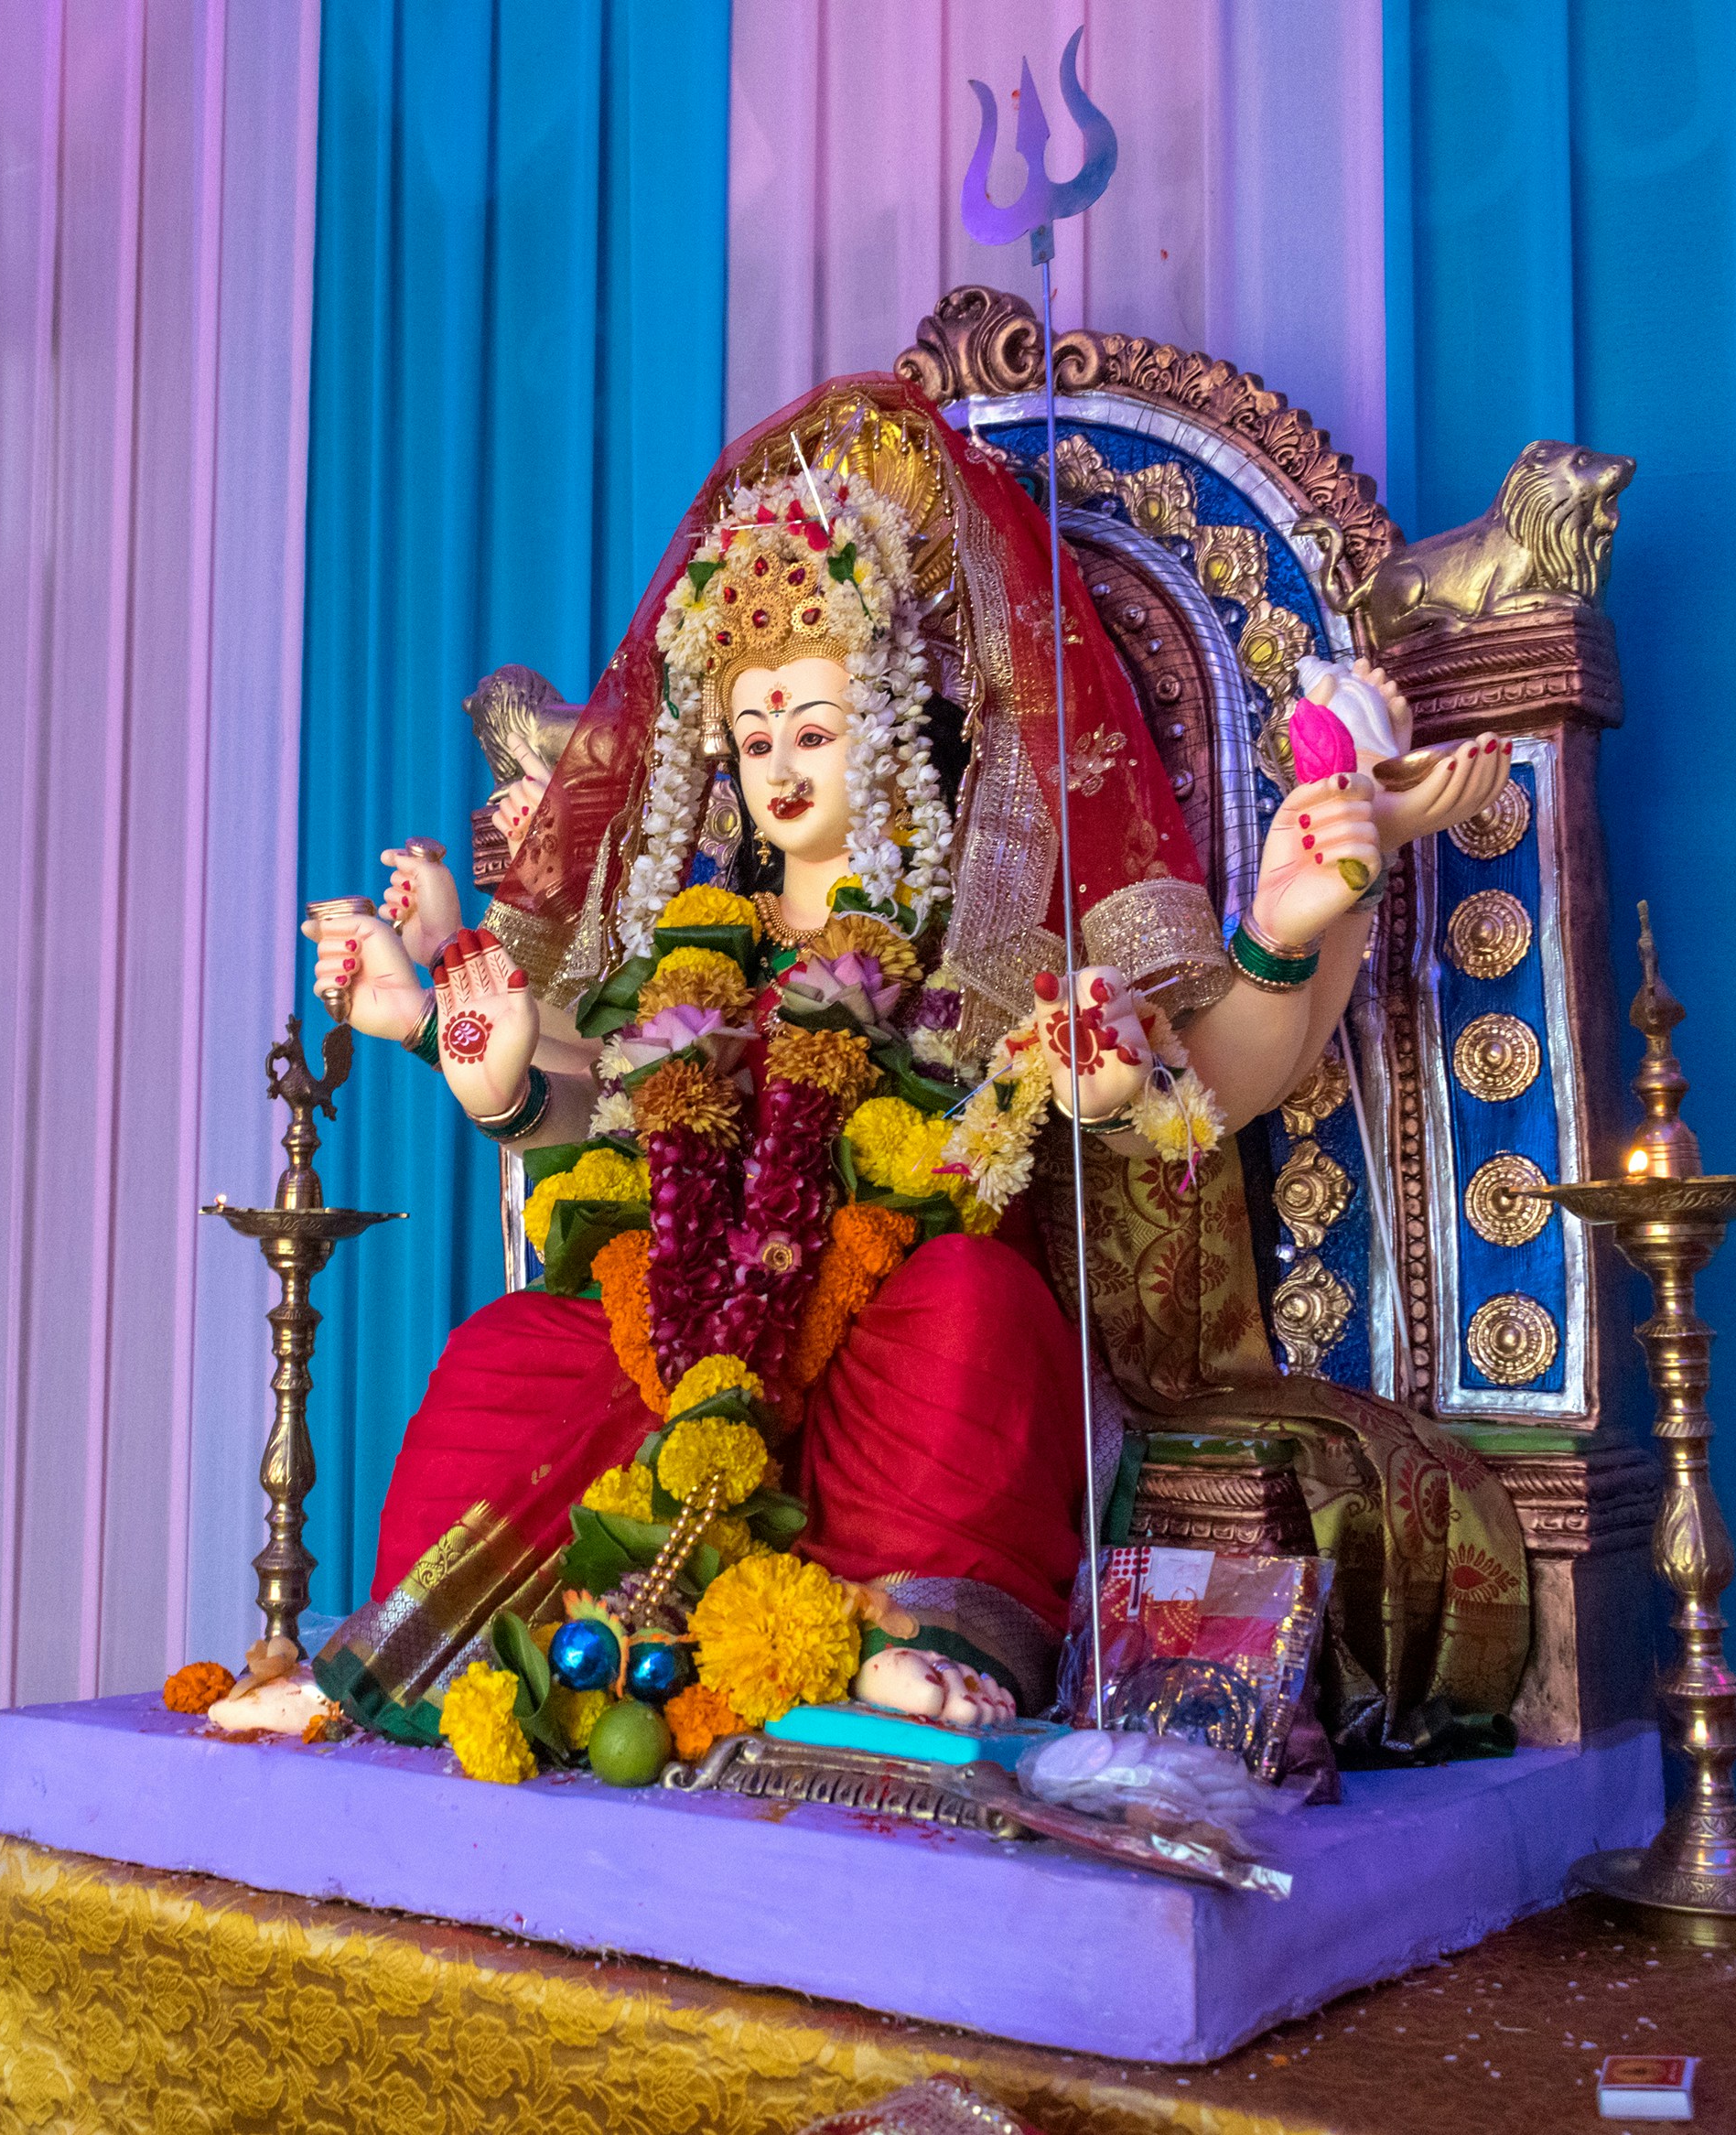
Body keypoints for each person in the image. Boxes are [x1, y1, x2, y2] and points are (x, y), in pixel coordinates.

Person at [307, 377, 1509, 1721]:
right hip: (688, 1329)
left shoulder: (985, 923)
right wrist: (470, 1058)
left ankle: (896, 1634)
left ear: (883, 725)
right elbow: (596, 1113)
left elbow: (1212, 1087)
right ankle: (448, 1659)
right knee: (513, 1350)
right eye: (754, 737)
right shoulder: (699, 941)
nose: (780, 769)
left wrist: (1285, 935)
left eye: (814, 731)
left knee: (971, 1311)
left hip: (895, 1338)